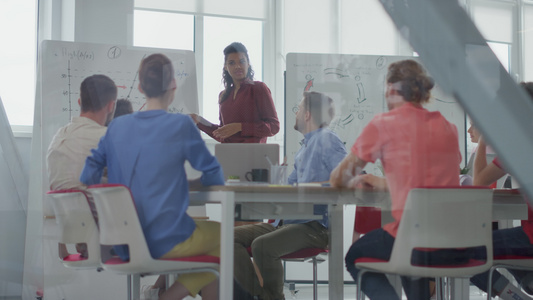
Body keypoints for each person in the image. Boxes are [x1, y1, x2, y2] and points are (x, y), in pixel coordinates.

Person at [80, 53, 224, 300]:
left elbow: (88, 174)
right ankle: (166, 297)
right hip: (166, 241)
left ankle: (164, 294)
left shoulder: (116, 127)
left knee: (213, 249)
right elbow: (215, 175)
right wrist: (191, 184)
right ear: (173, 86)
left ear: (140, 87)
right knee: (224, 238)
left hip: (122, 241)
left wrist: (120, 188)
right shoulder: (181, 125)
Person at [330, 59, 462, 300]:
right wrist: (384, 182)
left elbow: (338, 178)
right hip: (452, 241)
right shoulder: (448, 127)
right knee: (408, 257)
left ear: (391, 88)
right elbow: (429, 181)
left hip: (413, 239)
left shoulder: (384, 124)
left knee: (356, 257)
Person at [233, 91, 347, 300]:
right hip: (286, 222)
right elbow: (290, 188)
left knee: (262, 246)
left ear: (307, 115)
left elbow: (346, 178)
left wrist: (309, 187)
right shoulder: (304, 149)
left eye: (299, 109)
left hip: (314, 225)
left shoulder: (327, 139)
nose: (296, 113)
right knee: (228, 239)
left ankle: (268, 298)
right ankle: (260, 297)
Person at [469, 82, 533, 300]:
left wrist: (484, 139)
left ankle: (516, 297)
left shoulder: (518, 144)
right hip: (527, 235)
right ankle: (529, 283)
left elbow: (478, 181)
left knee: (464, 250)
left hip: (531, 238)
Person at [47, 74, 117, 259]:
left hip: (78, 234)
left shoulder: (58, 138)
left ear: (79, 101)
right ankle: (159, 289)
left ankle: (158, 289)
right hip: (108, 235)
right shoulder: (107, 137)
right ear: (111, 105)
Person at [191, 42, 280, 143]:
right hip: (228, 155)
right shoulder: (223, 95)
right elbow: (222, 133)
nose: (237, 66)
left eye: (241, 61)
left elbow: (274, 127)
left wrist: (240, 127)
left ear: (248, 63)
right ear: (225, 66)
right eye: (232, 63)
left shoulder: (259, 88)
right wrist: (199, 121)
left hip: (253, 156)